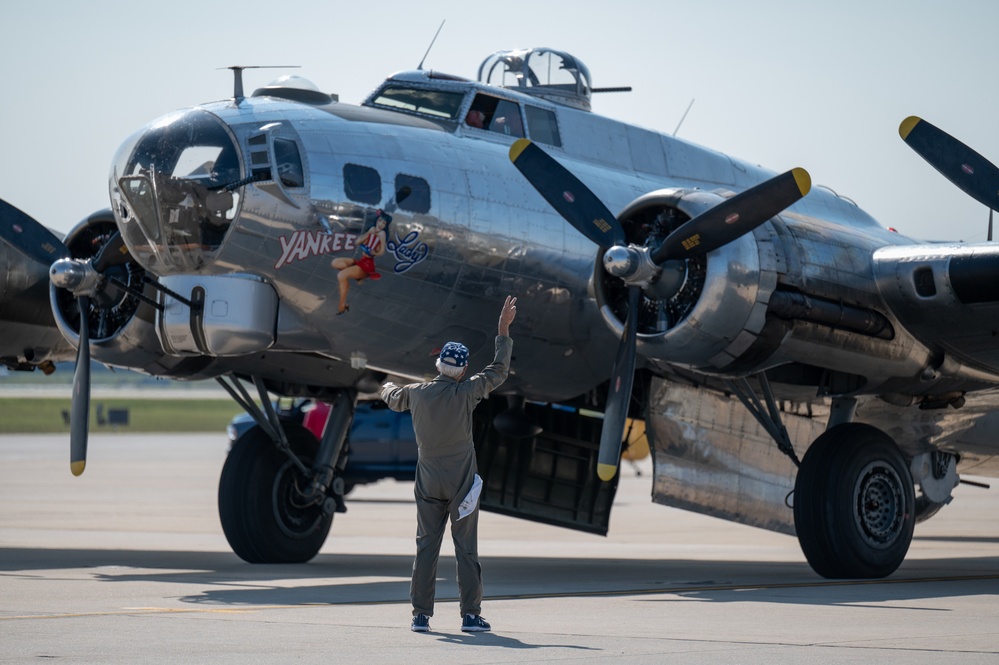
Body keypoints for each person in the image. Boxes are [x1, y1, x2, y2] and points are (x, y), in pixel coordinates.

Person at [380, 296, 518, 633]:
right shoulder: (466, 393)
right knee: (466, 549)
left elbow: (391, 396)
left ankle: (420, 616)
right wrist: (503, 330)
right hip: (462, 486)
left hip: (428, 484)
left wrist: (383, 384)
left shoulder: (416, 393)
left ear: (439, 364)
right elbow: (498, 371)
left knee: (426, 547)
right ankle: (470, 615)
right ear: (463, 369)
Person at [331, 209, 390, 314]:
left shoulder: (382, 234)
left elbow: (382, 251)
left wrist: (374, 252)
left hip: (367, 265)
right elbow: (358, 242)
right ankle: (355, 278)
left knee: (341, 275)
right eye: (380, 220)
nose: (381, 224)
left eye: (384, 223)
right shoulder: (372, 229)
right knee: (335, 262)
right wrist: (368, 234)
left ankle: (342, 306)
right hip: (360, 261)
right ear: (377, 220)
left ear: (386, 226)